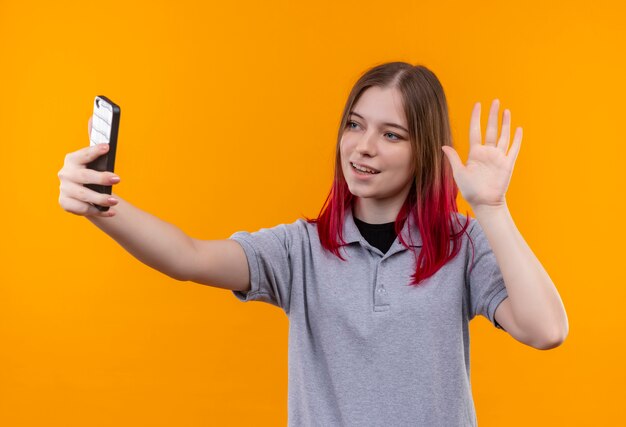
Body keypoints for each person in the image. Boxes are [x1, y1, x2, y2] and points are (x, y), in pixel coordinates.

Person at [58, 62, 568, 426]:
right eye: (354, 125)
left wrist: (491, 209)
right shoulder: (300, 250)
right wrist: (102, 207)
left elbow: (546, 330)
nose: (363, 147)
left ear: (424, 152)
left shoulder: (460, 245)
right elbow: (188, 256)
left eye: (392, 135)